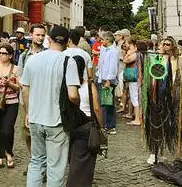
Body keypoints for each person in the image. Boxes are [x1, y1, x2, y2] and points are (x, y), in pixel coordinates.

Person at [21, 25, 80, 187]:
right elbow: (73, 94)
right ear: (68, 42)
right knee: (55, 167)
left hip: (35, 118)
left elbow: (25, 88)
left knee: (36, 161)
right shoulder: (68, 62)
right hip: (57, 121)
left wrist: (28, 111)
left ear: (49, 39)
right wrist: (77, 107)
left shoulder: (32, 59)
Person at [67, 56, 103, 187]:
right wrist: (101, 126)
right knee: (86, 161)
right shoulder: (89, 85)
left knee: (73, 158)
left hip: (71, 124)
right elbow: (97, 108)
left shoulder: (66, 85)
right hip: (87, 123)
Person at [17, 23, 47, 174]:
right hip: (27, 100)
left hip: (44, 100)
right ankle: (33, 162)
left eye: (43, 35)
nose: (40, 38)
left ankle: (44, 165)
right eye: (38, 35)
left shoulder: (48, 54)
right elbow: (21, 80)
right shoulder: (24, 56)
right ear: (31, 35)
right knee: (28, 133)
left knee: (44, 133)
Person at [97, 31, 119, 134]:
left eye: (102, 39)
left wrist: (109, 80)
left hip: (108, 80)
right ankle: (107, 124)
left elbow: (113, 67)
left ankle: (110, 125)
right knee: (105, 103)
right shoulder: (104, 49)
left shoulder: (113, 51)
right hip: (103, 78)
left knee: (108, 104)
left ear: (107, 40)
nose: (101, 41)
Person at [122, 36, 142, 126]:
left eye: (126, 43)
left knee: (135, 98)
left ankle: (137, 119)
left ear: (130, 44)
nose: (125, 44)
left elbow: (125, 61)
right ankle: (136, 116)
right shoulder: (134, 53)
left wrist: (127, 54)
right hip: (133, 78)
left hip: (134, 78)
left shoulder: (134, 53)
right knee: (134, 97)